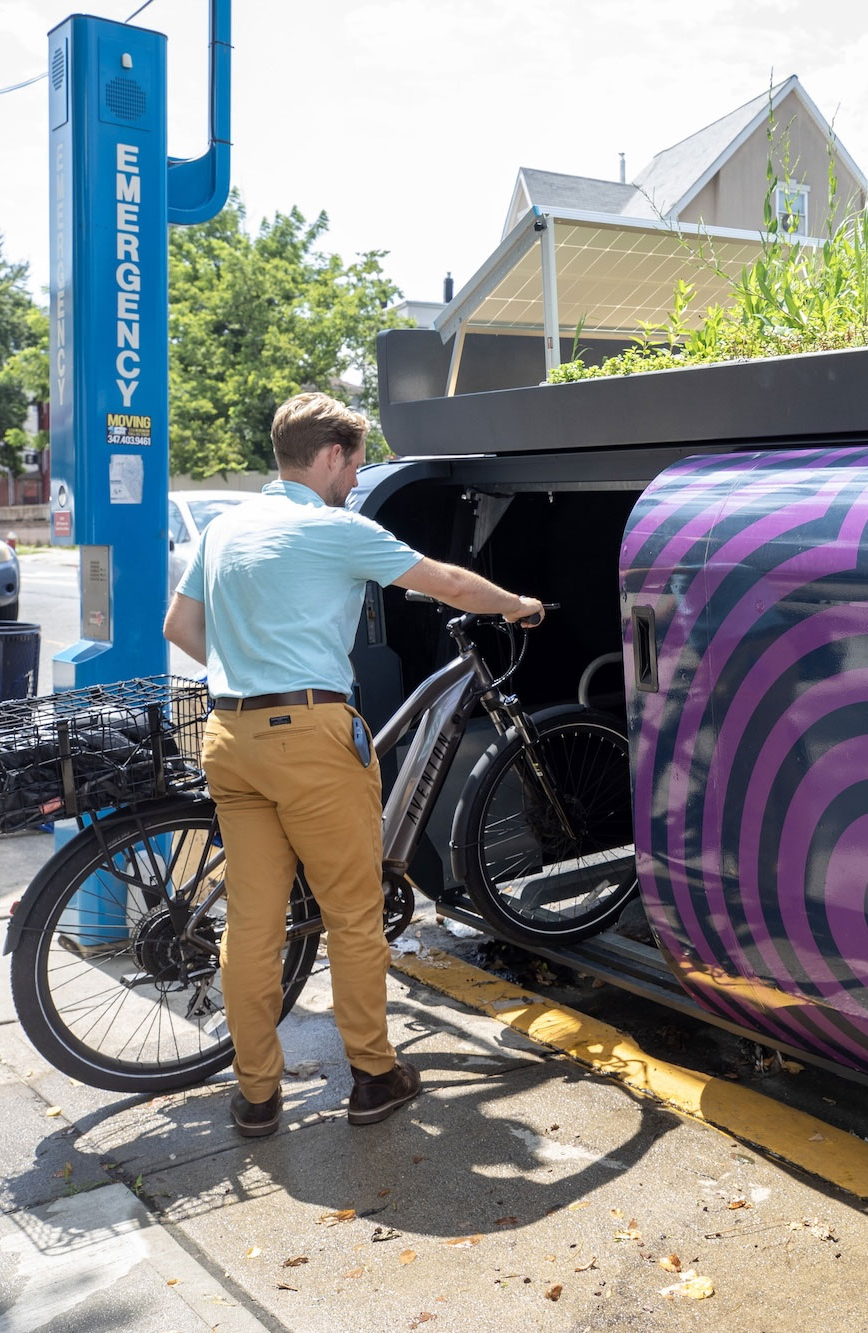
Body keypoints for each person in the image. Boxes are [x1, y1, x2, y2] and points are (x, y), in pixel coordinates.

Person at [162, 392, 543, 1137]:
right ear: (331, 455)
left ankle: (257, 1097)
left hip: (231, 737)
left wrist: (249, 672)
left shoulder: (224, 528)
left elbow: (180, 625)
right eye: (355, 461)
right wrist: (519, 603)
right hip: (310, 738)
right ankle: (373, 1075)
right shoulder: (333, 529)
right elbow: (452, 584)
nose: (356, 475)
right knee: (352, 916)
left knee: (252, 925)